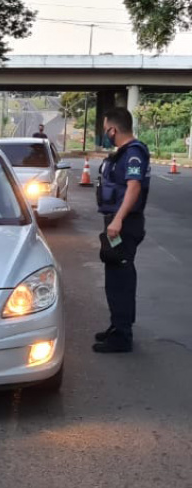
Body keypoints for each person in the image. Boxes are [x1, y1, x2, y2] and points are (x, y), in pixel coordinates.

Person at [94, 107, 151, 353]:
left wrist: (117, 220)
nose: (106, 133)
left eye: (106, 129)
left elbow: (134, 187)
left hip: (125, 224)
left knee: (121, 278)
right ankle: (118, 326)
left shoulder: (134, 153)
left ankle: (122, 336)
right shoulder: (125, 153)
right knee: (115, 275)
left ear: (113, 129)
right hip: (118, 222)